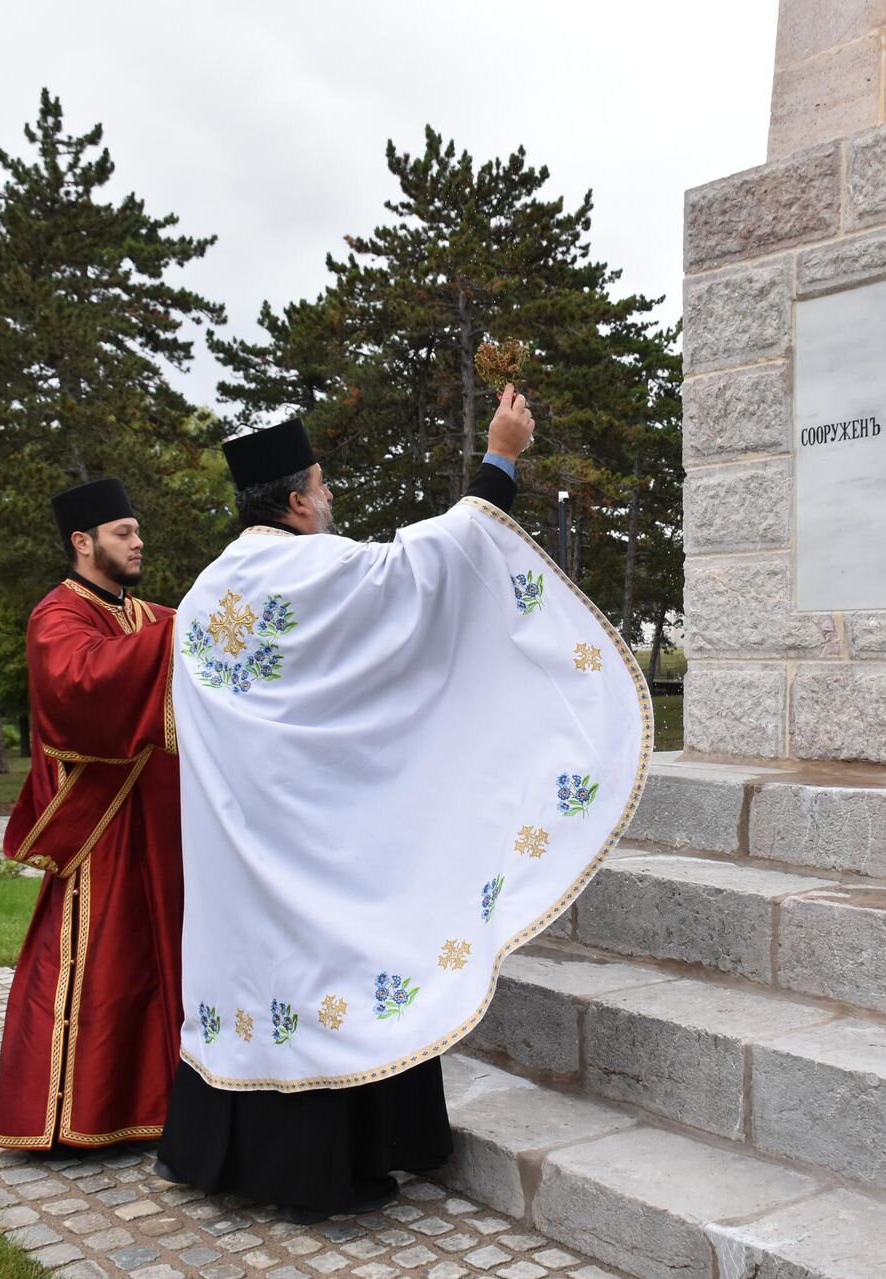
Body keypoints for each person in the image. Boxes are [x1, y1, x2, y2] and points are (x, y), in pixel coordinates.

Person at [157, 388, 652, 1220]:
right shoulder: (314, 567)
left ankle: (227, 1154)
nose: (330, 496)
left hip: (243, 841)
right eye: (322, 483)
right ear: (294, 499)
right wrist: (499, 458)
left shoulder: (205, 595)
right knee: (336, 966)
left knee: (263, 980)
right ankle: (353, 1155)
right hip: (315, 839)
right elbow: (429, 571)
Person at [0, 479, 184, 1151]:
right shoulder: (56, 615)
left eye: (136, 531)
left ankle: (161, 1102)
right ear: (83, 542)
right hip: (103, 830)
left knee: (161, 960)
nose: (138, 542)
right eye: (124, 532)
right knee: (104, 960)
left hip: (160, 828)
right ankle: (76, 1115)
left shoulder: (148, 615)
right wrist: (182, 632)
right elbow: (79, 684)